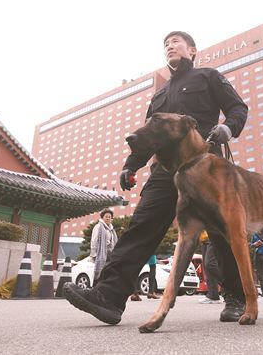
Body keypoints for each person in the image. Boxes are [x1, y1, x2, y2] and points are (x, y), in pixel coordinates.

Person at [64, 30, 249, 325]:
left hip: (205, 166)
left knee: (220, 232)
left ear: (192, 50)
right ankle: (109, 297)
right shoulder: (160, 94)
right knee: (142, 226)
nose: (169, 46)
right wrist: (130, 165)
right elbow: (149, 136)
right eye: (166, 44)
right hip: (166, 171)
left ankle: (237, 298)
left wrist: (230, 127)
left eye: (175, 42)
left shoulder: (208, 76)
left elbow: (238, 108)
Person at [90, 208, 118, 283]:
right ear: (102, 217)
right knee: (99, 272)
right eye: (106, 216)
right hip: (101, 253)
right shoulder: (98, 227)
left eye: (109, 217)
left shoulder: (112, 230)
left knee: (107, 273)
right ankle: (95, 288)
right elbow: (94, 240)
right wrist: (94, 254)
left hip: (110, 254)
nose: (108, 218)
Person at [198, 230, 222, 304]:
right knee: (207, 268)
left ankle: (232, 288)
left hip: (214, 236)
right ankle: (213, 295)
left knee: (210, 264)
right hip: (204, 239)